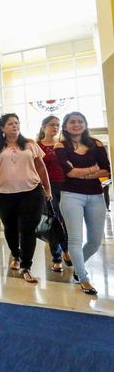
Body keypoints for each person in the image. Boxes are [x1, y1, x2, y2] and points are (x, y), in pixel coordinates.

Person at [0, 113, 52, 283]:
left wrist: (47, 188)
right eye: (10, 124)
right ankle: (15, 254)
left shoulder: (30, 144)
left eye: (17, 123)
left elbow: (41, 166)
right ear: (2, 128)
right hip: (4, 194)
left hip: (31, 192)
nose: (15, 126)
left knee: (28, 229)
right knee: (11, 227)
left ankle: (26, 266)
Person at [54, 112, 111, 295]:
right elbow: (69, 172)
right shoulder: (61, 146)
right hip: (71, 195)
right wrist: (92, 170)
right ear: (65, 126)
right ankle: (83, 278)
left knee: (95, 241)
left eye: (80, 121)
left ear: (85, 124)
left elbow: (107, 171)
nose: (76, 125)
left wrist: (83, 172)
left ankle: (78, 267)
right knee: (76, 240)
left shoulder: (97, 144)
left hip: (95, 195)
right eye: (72, 122)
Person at [36, 115, 72, 272]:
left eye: (58, 125)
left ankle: (66, 249)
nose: (55, 127)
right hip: (47, 188)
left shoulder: (64, 145)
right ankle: (57, 257)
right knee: (53, 222)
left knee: (66, 221)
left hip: (66, 186)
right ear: (44, 127)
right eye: (52, 125)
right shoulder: (37, 146)